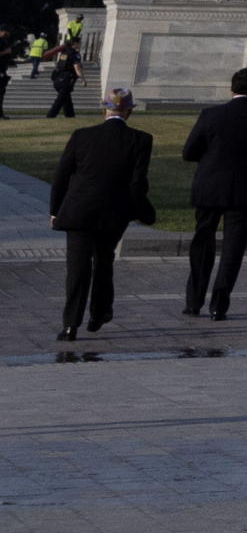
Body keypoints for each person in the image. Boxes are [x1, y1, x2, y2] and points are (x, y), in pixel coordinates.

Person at [179, 67, 247, 323]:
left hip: (210, 186)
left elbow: (189, 152)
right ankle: (219, 305)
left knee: (203, 242)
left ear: (232, 88)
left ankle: (194, 302)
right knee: (233, 248)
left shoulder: (211, 114)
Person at [49, 89, 153, 345]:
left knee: (77, 269)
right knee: (104, 262)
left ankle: (70, 325)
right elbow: (137, 184)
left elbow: (62, 175)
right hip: (114, 212)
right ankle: (99, 312)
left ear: (104, 109)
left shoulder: (82, 136)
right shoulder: (140, 140)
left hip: (78, 211)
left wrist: (55, 210)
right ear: (129, 111)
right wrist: (142, 211)